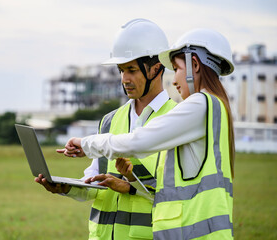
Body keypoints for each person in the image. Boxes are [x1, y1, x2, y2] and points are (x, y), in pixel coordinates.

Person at [60, 28, 235, 239]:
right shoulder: (216, 108)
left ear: (194, 65)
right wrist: (131, 182)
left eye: (177, 68)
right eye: (121, 70)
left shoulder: (200, 105)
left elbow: (138, 141)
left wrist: (85, 144)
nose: (174, 79)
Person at [36, 18, 176, 240]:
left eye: (131, 70)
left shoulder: (177, 119)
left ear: (156, 69)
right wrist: (66, 188)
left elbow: (178, 195)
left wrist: (130, 184)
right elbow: (95, 183)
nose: (124, 79)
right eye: (121, 71)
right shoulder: (110, 121)